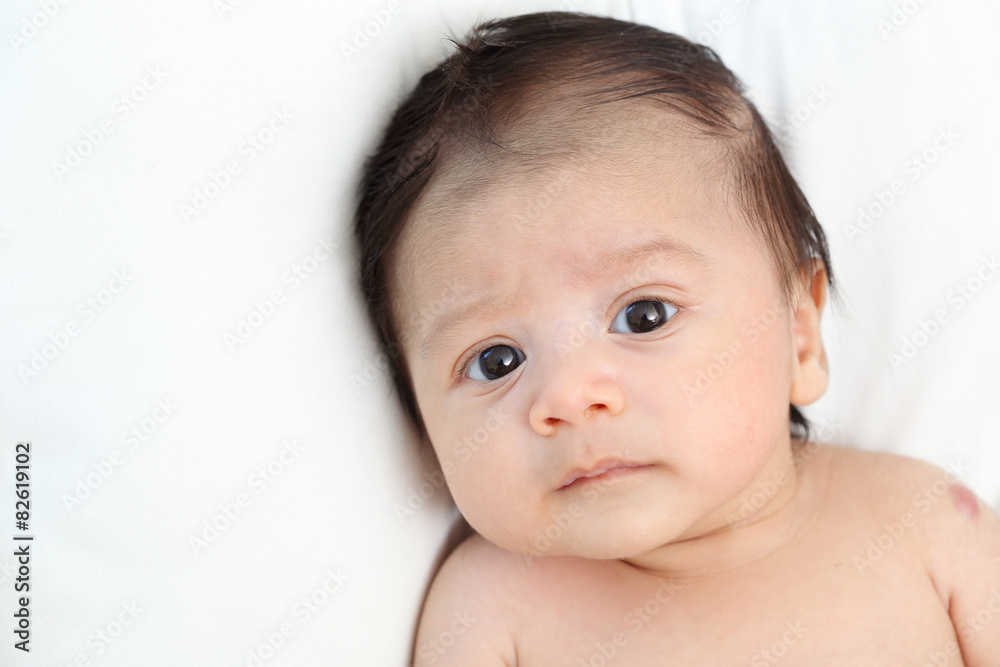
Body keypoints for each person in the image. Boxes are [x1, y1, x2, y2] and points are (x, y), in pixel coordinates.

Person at [353, 11, 1000, 665]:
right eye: (497, 360)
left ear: (799, 336)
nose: (571, 396)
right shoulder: (493, 610)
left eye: (644, 316)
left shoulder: (926, 526)